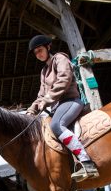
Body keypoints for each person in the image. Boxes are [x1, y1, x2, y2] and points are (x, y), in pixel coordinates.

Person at [26, 34, 99, 182]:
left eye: (40, 50)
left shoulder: (60, 59)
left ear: (48, 47)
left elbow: (64, 80)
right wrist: (31, 110)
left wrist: (48, 99)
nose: (38, 54)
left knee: (56, 125)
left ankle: (86, 162)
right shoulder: (43, 72)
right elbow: (41, 94)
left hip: (70, 101)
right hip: (57, 107)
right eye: (35, 53)